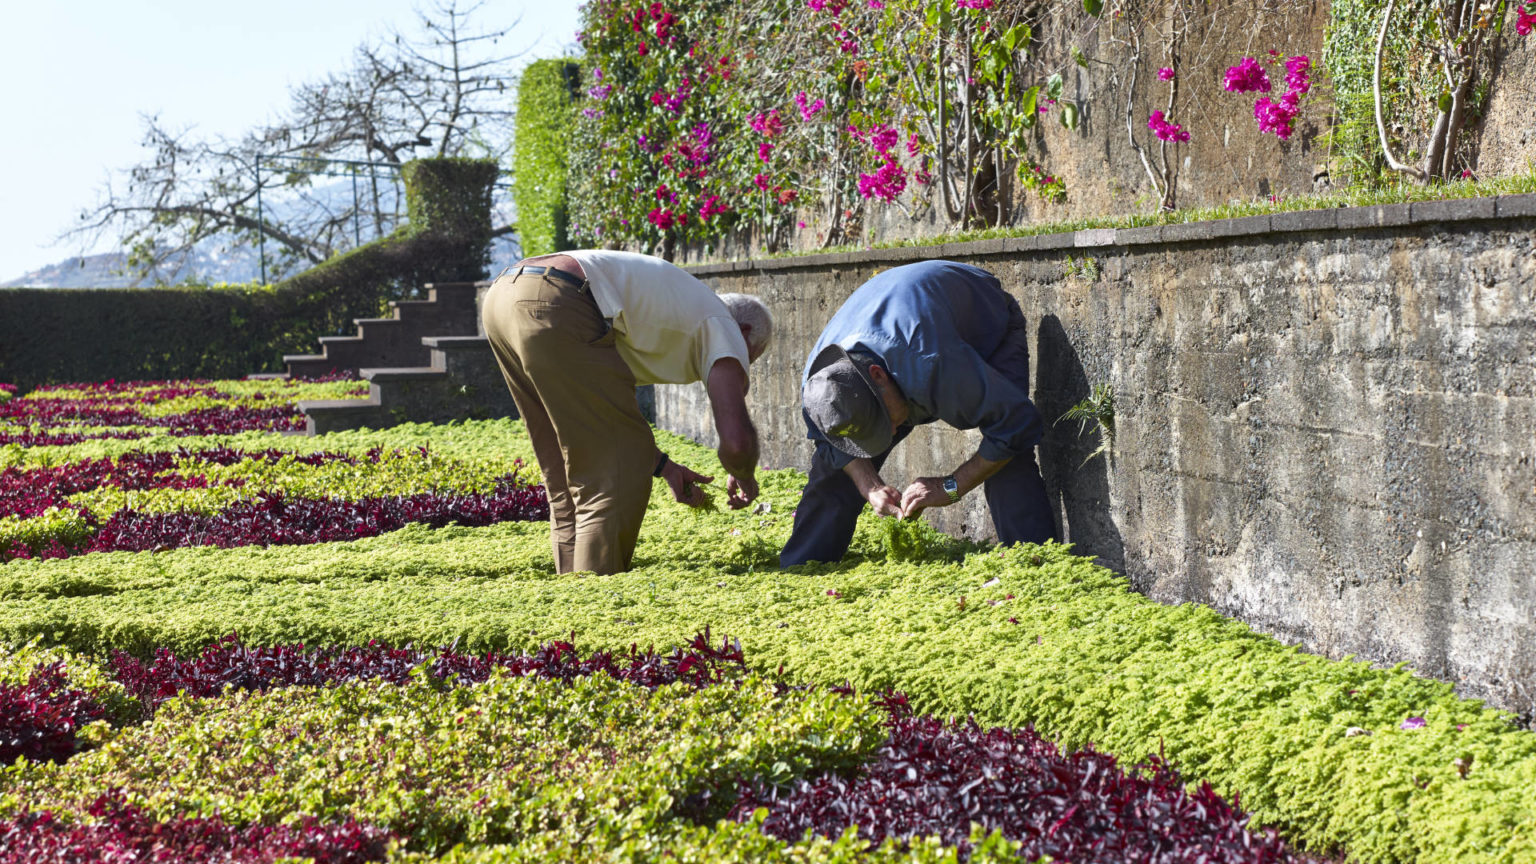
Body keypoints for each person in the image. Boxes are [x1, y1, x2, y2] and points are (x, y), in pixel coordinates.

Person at [481, 249, 772, 575]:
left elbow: (612, 414)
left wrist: (663, 466)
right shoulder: (725, 324)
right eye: (750, 357)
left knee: (565, 483)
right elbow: (736, 442)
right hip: (557, 300)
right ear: (744, 332)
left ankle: (572, 604)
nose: (742, 368)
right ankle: (596, 606)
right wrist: (744, 472)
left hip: (503, 298)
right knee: (610, 482)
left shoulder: (668, 313)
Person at [779, 259, 1056, 567]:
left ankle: (1038, 567)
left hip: (983, 327)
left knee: (1006, 456)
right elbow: (833, 444)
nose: (890, 434)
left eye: (884, 423)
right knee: (834, 469)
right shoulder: (820, 387)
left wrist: (950, 487)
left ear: (879, 377)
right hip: (902, 322)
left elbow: (1015, 425)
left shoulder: (934, 364)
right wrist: (869, 486)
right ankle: (802, 568)